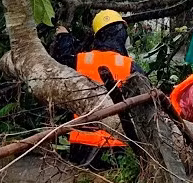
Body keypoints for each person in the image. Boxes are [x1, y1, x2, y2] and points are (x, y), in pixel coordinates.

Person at [50, 9, 145, 170]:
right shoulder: (130, 66)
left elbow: (62, 61)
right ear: (121, 34)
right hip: (116, 145)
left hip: (81, 145)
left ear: (98, 35)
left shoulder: (81, 59)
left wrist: (64, 37)